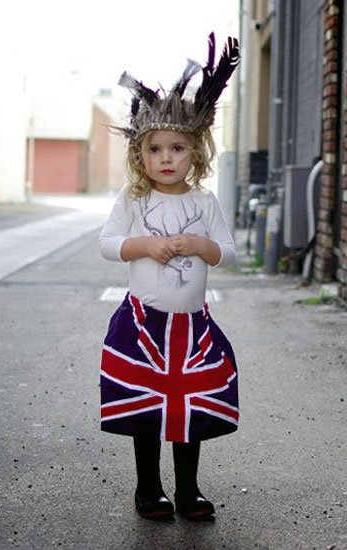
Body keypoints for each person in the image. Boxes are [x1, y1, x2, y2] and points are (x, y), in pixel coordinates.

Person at [98, 32, 240, 521]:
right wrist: (142, 245)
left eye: (177, 148)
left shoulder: (204, 202)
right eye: (154, 149)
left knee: (187, 411)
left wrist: (203, 246)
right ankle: (148, 488)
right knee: (146, 409)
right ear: (139, 154)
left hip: (192, 328)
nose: (165, 158)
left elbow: (228, 251)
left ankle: (188, 490)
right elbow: (107, 244)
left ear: (195, 151)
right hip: (143, 326)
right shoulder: (132, 201)